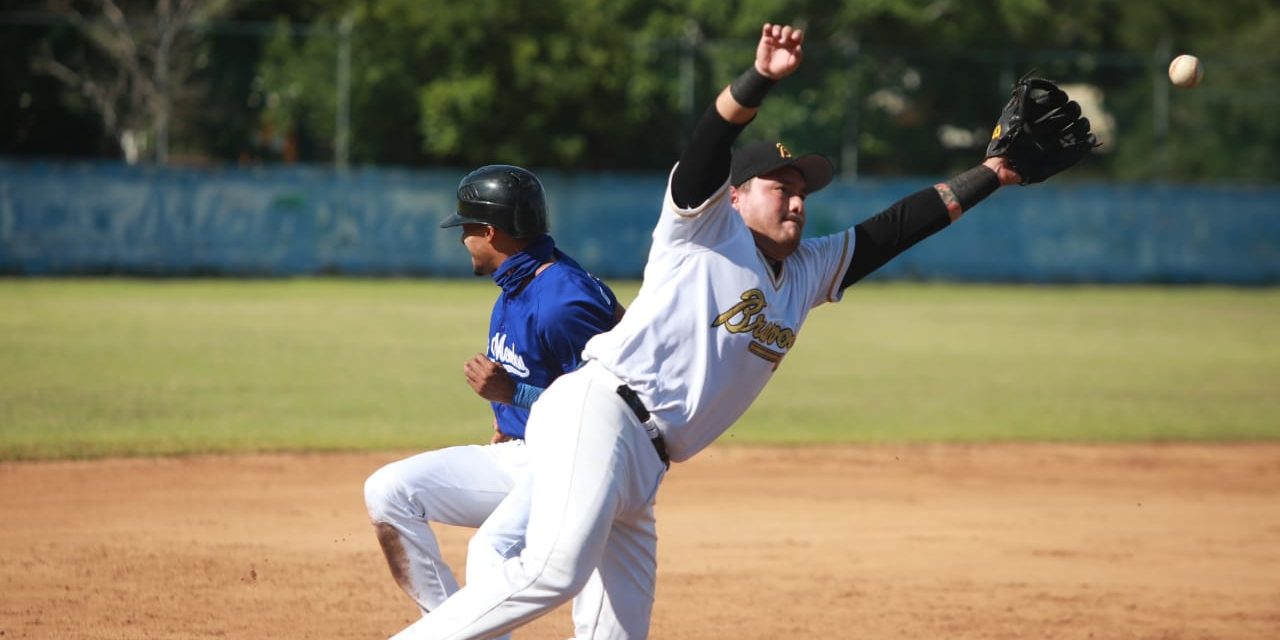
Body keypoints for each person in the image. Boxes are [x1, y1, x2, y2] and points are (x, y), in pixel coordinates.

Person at [390, 23, 1093, 640]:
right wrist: (758, 78)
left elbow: (895, 229)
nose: (796, 199)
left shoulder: (809, 270)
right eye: (780, 186)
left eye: (802, 190)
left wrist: (994, 172)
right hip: (599, 414)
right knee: (552, 571)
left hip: (645, 461)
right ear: (734, 195)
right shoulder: (701, 229)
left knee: (614, 632)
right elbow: (709, 141)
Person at [363, 164, 624, 637]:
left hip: (576, 461)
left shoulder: (562, 300)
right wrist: (508, 414)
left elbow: (613, 406)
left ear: (489, 231)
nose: (462, 239)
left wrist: (514, 394)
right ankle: (450, 628)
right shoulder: (519, 282)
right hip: (526, 451)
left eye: (466, 228)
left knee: (491, 549)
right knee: (389, 491)